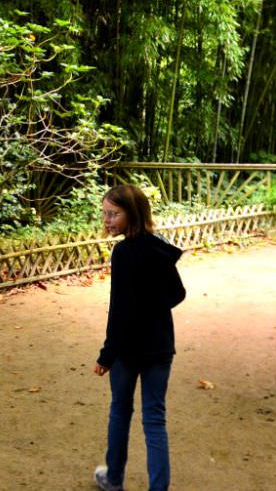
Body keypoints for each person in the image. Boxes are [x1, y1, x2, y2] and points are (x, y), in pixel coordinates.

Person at [92, 185, 185, 491]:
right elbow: (177, 293)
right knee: (154, 419)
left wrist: (107, 355)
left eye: (114, 214)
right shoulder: (160, 247)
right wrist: (151, 307)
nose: (107, 220)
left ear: (133, 213)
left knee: (120, 410)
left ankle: (114, 478)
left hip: (128, 351)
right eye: (105, 213)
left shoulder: (123, 253)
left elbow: (119, 310)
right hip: (159, 345)